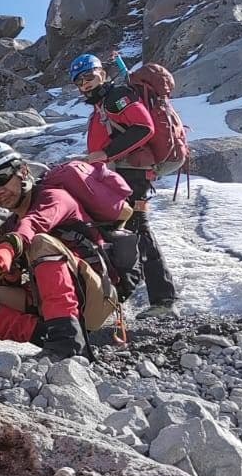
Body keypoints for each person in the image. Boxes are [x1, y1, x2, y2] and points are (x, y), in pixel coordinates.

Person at [0, 139, 124, 359]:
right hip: (45, 302)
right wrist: (9, 275)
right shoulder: (9, 227)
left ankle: (68, 343)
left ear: (22, 172)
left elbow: (34, 224)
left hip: (94, 296)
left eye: (1, 180)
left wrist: (9, 248)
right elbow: (10, 277)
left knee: (42, 242)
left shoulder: (54, 197)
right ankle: (48, 338)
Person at [69, 53, 177, 311]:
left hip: (132, 175)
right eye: (79, 81)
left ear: (102, 74)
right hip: (122, 174)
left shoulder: (116, 97)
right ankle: (132, 296)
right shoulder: (103, 104)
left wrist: (105, 154)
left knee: (138, 231)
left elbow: (144, 127)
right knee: (124, 231)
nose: (84, 84)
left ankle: (162, 300)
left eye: (89, 76)